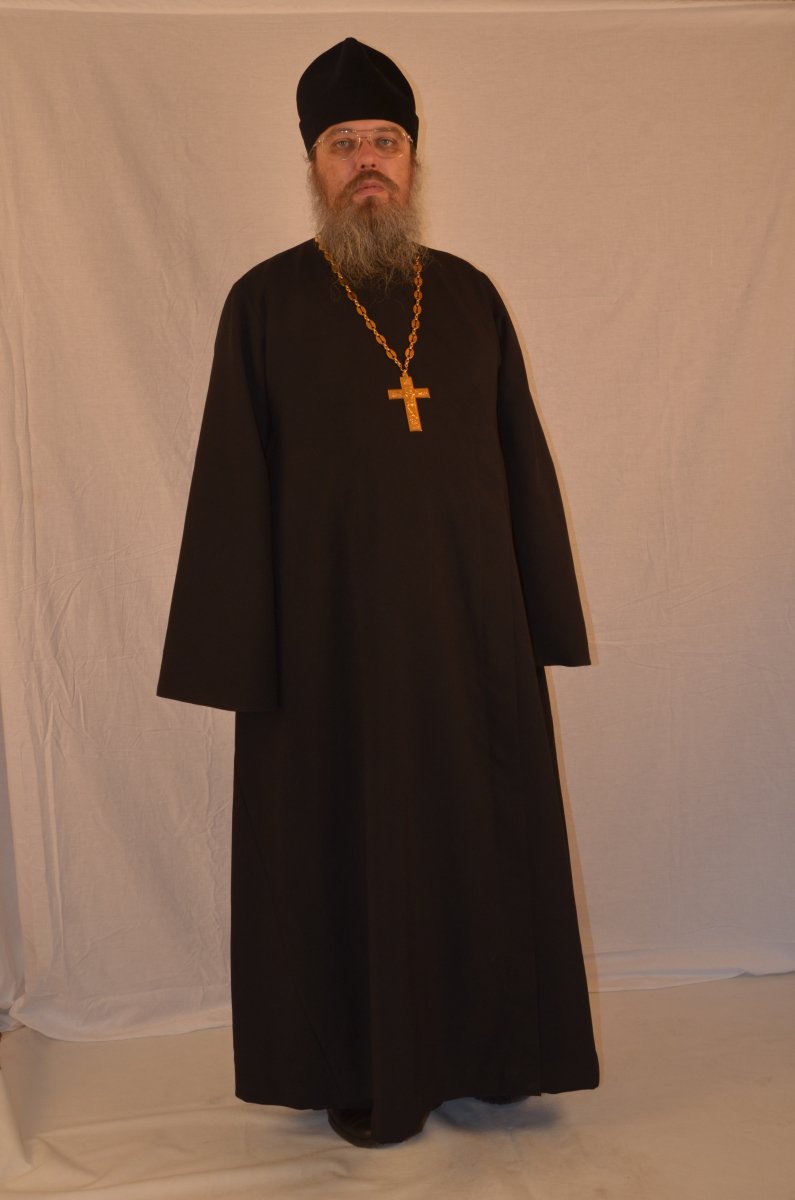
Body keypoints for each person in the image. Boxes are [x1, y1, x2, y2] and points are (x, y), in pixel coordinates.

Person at [157, 37, 599, 1150]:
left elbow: (521, 463)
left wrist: (539, 616)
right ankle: (358, 1067)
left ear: (413, 159)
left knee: (474, 840)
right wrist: (242, 656)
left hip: (468, 640)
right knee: (344, 855)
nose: (367, 162)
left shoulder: (470, 297)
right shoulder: (265, 304)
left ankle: (493, 1052)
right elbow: (230, 485)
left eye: (385, 142)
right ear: (314, 165)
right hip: (328, 650)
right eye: (344, 144)